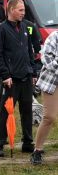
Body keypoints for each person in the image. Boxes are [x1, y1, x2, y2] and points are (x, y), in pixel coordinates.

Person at [0, 0, 37, 157]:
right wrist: (5, 75)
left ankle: (27, 142)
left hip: (26, 76)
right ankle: (0, 144)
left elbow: (29, 50)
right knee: (5, 112)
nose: (23, 13)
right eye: (20, 10)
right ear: (10, 10)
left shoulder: (25, 27)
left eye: (24, 10)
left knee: (27, 111)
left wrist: (33, 71)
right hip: (10, 79)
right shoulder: (1, 30)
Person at [30, 31, 58, 165]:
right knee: (49, 116)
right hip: (52, 82)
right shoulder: (54, 37)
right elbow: (46, 60)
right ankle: (37, 150)